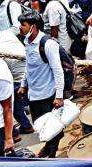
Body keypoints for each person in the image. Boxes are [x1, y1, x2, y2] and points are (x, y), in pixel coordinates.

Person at [18, 10, 66, 157]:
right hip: (34, 94)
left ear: (33, 27)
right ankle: (48, 148)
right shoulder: (27, 42)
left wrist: (59, 96)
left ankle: (51, 157)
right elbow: (28, 66)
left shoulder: (48, 44)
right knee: (41, 128)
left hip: (47, 95)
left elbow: (58, 71)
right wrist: (23, 84)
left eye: (23, 25)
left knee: (51, 129)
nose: (20, 27)